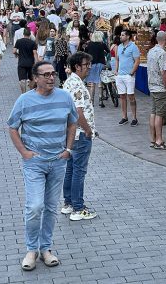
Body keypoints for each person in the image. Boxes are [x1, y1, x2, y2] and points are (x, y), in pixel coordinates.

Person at [7, 60, 78, 271]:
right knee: (34, 206)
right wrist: (24, 153)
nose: (51, 78)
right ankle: (31, 249)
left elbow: (72, 122)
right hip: (35, 163)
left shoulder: (65, 97)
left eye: (53, 74)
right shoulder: (24, 100)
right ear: (35, 78)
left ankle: (45, 248)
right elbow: (12, 127)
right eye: (45, 75)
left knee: (50, 208)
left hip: (58, 161)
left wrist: (68, 149)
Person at [61, 52, 98, 221]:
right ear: (77, 66)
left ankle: (68, 203)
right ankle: (78, 207)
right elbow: (78, 111)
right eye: (86, 64)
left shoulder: (70, 82)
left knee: (71, 168)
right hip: (80, 134)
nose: (89, 68)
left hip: (70, 134)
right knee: (79, 170)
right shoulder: (76, 84)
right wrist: (88, 130)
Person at [147, 31, 166, 150]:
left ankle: (153, 139)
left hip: (152, 86)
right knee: (160, 114)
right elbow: (164, 72)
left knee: (154, 112)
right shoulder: (162, 53)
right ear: (165, 39)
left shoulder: (151, 51)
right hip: (160, 87)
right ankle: (159, 140)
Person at [114, 30, 140, 127]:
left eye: (123, 35)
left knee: (131, 96)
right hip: (120, 75)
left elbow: (137, 61)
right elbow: (117, 59)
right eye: (121, 35)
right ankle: (124, 117)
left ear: (128, 36)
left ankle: (134, 118)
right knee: (122, 96)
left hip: (129, 75)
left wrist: (132, 72)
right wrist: (116, 71)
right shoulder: (119, 47)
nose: (121, 36)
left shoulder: (133, 47)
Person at [85, 31, 109, 107]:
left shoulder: (90, 44)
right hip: (101, 64)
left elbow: (85, 53)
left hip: (92, 64)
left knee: (92, 83)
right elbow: (108, 51)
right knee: (100, 82)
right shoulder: (102, 44)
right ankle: (100, 100)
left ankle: (91, 101)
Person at [13, 28, 38, 93]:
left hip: (21, 63)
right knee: (31, 78)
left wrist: (17, 54)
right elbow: (35, 54)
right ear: (30, 34)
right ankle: (31, 92)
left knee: (22, 80)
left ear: (23, 34)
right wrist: (37, 63)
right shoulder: (32, 43)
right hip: (31, 63)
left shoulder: (19, 41)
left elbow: (14, 51)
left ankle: (23, 93)